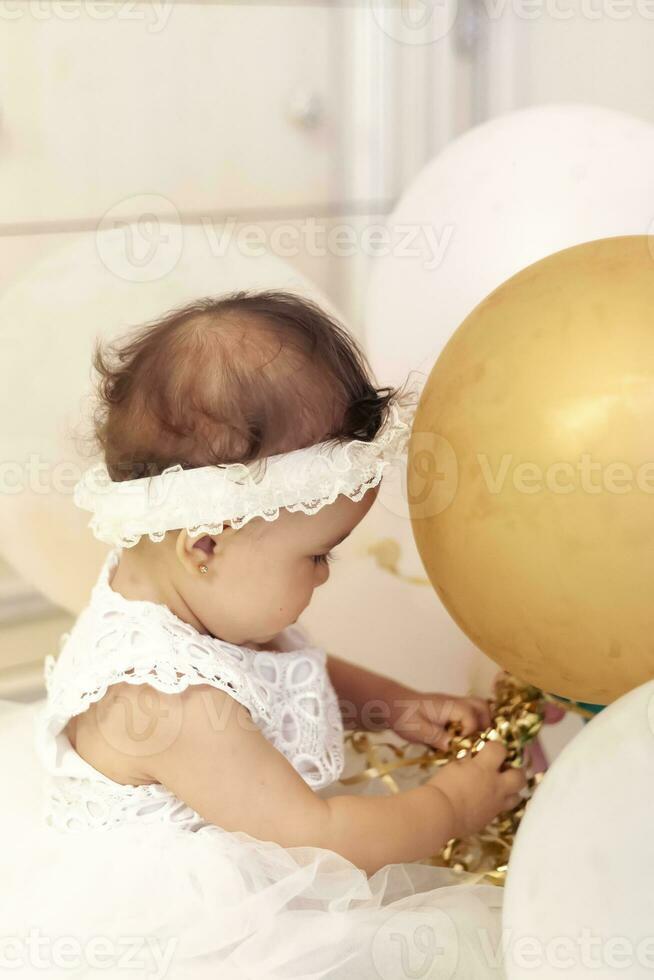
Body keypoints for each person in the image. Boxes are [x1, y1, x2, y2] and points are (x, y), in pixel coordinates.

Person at [2, 291, 526, 979]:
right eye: (319, 555)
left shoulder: (188, 591)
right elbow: (319, 836)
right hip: (191, 925)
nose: (327, 576)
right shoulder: (174, 706)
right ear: (207, 546)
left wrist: (391, 702)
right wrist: (451, 806)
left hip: (254, 815)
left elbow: (269, 663)